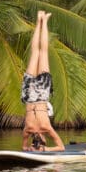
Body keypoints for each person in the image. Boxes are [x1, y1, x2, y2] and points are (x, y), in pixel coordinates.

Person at [21, 11, 65, 151]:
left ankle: (43, 21)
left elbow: (61, 147)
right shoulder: (27, 130)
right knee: (36, 53)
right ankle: (40, 20)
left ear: (43, 139)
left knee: (41, 52)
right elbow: (24, 147)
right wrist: (33, 148)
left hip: (41, 94)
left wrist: (45, 149)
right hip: (29, 95)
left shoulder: (46, 128)